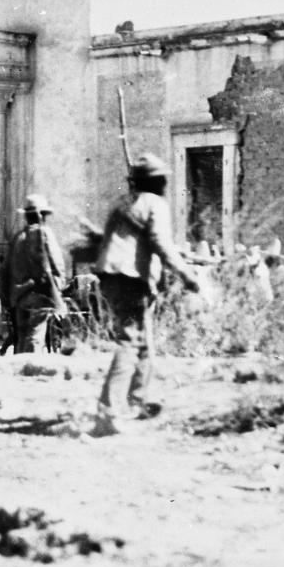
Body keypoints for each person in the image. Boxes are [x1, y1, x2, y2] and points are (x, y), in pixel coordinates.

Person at [93, 153, 202, 435]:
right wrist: (188, 275)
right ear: (157, 181)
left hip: (111, 276)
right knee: (131, 341)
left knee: (144, 343)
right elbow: (160, 243)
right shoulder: (155, 204)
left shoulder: (121, 204)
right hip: (131, 278)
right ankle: (109, 410)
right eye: (163, 179)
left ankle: (137, 400)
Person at [0, 194, 68, 354]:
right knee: (35, 337)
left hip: (19, 297)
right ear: (42, 216)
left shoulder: (17, 238)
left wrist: (6, 298)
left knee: (21, 337)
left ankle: (19, 374)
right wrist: (58, 289)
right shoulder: (44, 235)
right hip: (40, 296)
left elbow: (4, 271)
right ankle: (28, 372)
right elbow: (57, 265)